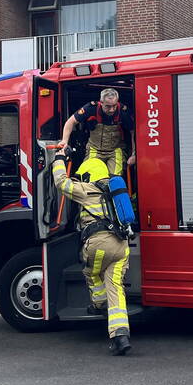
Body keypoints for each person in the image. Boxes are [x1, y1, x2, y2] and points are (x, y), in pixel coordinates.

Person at [51, 151, 132, 355]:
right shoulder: (115, 191)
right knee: (115, 287)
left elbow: (61, 183)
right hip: (122, 247)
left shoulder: (87, 189)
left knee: (91, 273)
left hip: (98, 244)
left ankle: (98, 304)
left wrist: (58, 160)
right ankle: (120, 335)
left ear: (88, 175)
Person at [58, 88, 135, 176]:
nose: (112, 110)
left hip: (115, 150)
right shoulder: (90, 108)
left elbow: (133, 132)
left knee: (115, 178)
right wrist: (64, 140)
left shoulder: (123, 111)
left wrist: (134, 154)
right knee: (88, 176)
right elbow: (70, 122)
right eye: (108, 106)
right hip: (94, 149)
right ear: (101, 103)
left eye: (114, 106)